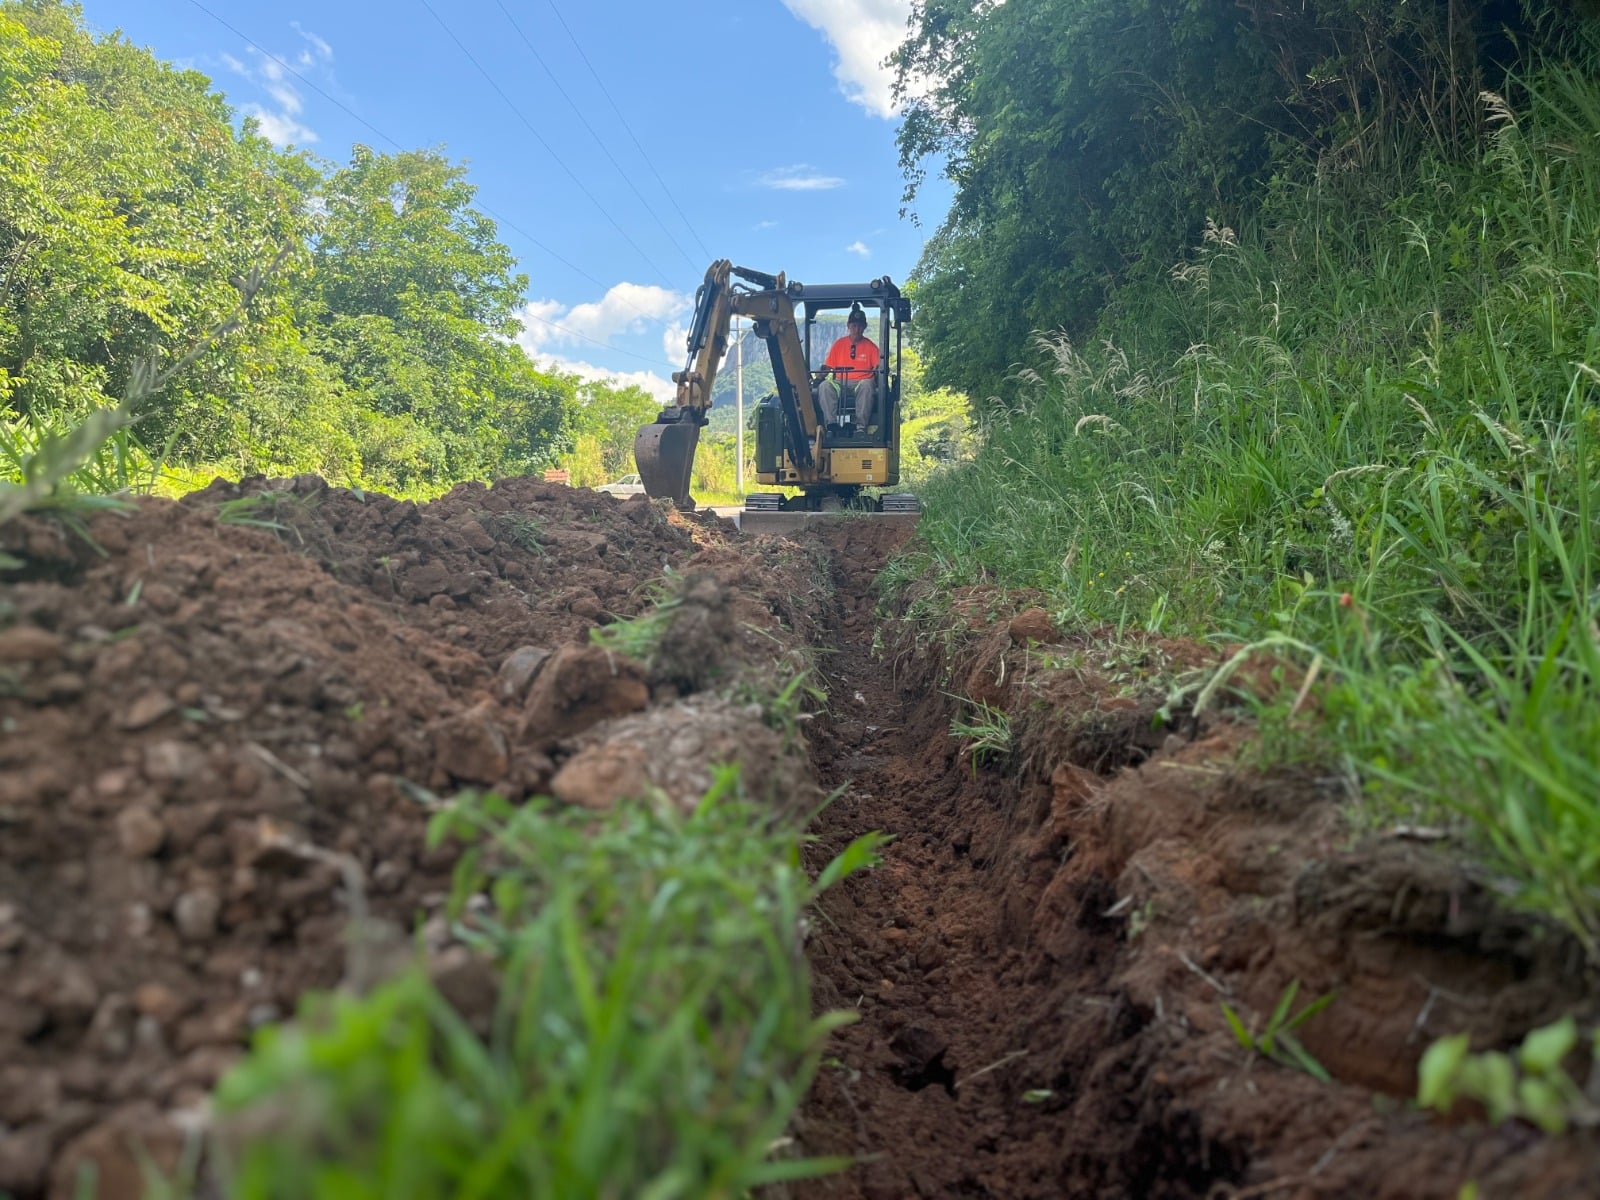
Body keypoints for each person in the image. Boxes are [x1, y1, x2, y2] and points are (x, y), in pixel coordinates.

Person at [818, 304, 880, 430]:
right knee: (824, 386)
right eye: (854, 326)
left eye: (860, 326)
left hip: (860, 383)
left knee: (867, 385)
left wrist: (879, 369)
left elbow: (878, 366)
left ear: (865, 327)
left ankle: (860, 426)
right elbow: (828, 366)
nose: (857, 330)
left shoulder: (871, 347)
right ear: (848, 326)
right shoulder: (839, 345)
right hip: (840, 383)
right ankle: (831, 425)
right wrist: (821, 373)